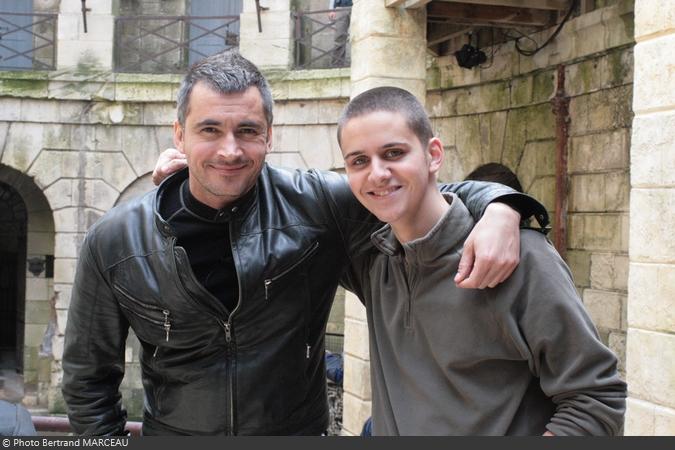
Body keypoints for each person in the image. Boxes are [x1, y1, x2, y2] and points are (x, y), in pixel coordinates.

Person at [62, 50, 547, 436]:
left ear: (269, 135)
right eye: (210, 130)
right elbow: (88, 383)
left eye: (247, 131)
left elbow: (422, 192)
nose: (230, 149)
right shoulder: (114, 241)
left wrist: (504, 205)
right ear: (180, 135)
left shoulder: (318, 204)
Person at [338, 86, 627, 435]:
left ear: (433, 154)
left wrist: (504, 208)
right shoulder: (371, 259)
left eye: (394, 153)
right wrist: (503, 202)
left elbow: (596, 401)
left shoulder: (522, 256)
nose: (378, 173)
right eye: (359, 161)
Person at [328, 0, 352, 66]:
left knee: (360, 37)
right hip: (341, 7)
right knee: (339, 37)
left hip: (360, 7)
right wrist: (331, 9)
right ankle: (337, 66)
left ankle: (362, 65)